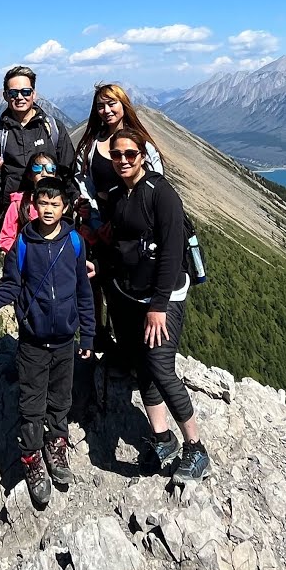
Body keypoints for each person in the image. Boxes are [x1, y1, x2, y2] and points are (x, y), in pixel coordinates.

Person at [100, 127, 209, 484]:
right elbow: (121, 247)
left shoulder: (162, 193)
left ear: (142, 156)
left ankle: (195, 447)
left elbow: (172, 251)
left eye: (130, 154)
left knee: (161, 367)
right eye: (117, 155)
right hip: (132, 295)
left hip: (162, 297)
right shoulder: (117, 195)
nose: (123, 160)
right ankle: (162, 438)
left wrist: (159, 305)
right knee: (143, 367)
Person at [0, 177, 94, 507]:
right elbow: (11, 286)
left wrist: (87, 334)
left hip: (65, 341)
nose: (48, 209)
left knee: (60, 399)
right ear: (33, 205)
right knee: (31, 404)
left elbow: (83, 291)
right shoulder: (22, 244)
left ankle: (56, 447)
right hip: (32, 341)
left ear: (65, 207)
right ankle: (32, 459)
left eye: (55, 204)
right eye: (42, 203)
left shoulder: (74, 242)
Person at [71, 83, 164, 356]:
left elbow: (156, 185)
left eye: (112, 103)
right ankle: (104, 339)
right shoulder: (90, 146)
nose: (106, 110)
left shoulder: (142, 144)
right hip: (101, 228)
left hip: (136, 230)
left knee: (133, 285)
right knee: (103, 283)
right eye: (101, 105)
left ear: (124, 105)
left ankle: (137, 346)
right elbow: (84, 186)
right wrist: (95, 221)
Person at [0, 66, 76, 230]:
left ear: (34, 94)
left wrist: (73, 203)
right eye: (13, 93)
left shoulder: (53, 128)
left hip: (51, 215)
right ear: (5, 96)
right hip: (12, 217)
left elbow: (68, 172)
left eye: (25, 92)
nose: (19, 97)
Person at [0, 151, 58, 253]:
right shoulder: (18, 203)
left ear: (55, 174)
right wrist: (24, 254)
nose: (44, 173)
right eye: (37, 168)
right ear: (30, 175)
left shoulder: (61, 202)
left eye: (50, 168)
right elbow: (6, 239)